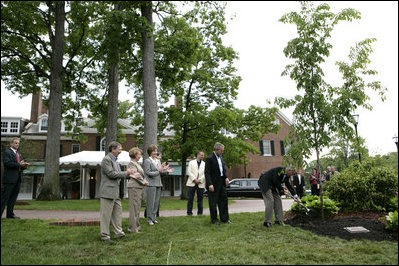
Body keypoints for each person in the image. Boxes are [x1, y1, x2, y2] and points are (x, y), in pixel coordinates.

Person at [99, 141, 136, 242]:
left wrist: (130, 175)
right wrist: (126, 173)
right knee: (106, 215)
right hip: (107, 192)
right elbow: (111, 174)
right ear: (113, 149)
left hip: (115, 192)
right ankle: (105, 235)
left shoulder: (115, 160)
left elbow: (118, 174)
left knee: (118, 212)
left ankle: (118, 233)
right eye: (119, 148)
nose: (121, 150)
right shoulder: (106, 160)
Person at [143, 145, 173, 225]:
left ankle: (153, 218)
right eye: (154, 151)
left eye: (156, 151)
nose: (155, 152)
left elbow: (161, 172)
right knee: (151, 203)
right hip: (151, 184)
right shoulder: (147, 161)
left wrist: (167, 171)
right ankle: (149, 219)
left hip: (158, 184)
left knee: (156, 203)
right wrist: (159, 171)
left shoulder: (158, 161)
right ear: (150, 152)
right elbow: (148, 173)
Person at [1, 137, 30, 219]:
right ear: (11, 144)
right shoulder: (7, 152)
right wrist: (19, 164)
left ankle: (10, 215)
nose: (17, 144)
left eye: (18, 143)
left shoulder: (19, 154)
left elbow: (19, 166)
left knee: (13, 198)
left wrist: (24, 165)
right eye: (16, 143)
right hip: (9, 179)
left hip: (17, 179)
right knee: (4, 198)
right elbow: (7, 163)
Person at [205, 142, 231, 225]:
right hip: (213, 183)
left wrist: (226, 177)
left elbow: (223, 170)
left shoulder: (221, 158)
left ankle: (225, 219)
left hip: (221, 183)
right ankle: (214, 220)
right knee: (213, 202)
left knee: (223, 201)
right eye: (221, 150)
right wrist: (210, 184)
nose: (222, 152)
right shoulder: (209, 158)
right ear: (216, 150)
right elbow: (207, 172)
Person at [127, 147, 149, 233]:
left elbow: (140, 175)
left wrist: (144, 180)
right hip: (134, 187)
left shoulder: (137, 163)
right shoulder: (131, 164)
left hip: (138, 187)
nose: (140, 156)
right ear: (135, 155)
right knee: (134, 208)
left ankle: (136, 226)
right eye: (139, 154)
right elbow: (136, 175)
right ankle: (133, 228)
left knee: (137, 207)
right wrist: (144, 182)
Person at [186, 151, 206, 216]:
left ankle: (200, 213)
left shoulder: (205, 164)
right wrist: (194, 179)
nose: (202, 156)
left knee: (200, 199)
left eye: (203, 155)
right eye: (201, 155)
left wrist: (199, 180)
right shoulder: (191, 162)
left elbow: (205, 173)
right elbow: (189, 172)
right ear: (198, 155)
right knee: (190, 199)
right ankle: (189, 213)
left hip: (201, 183)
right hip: (192, 183)